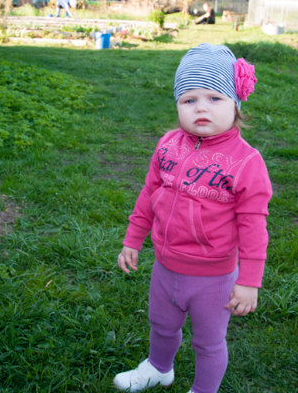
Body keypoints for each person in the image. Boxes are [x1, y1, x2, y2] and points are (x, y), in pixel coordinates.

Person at [113, 44, 271, 393]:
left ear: (236, 104)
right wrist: (132, 240)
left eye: (215, 98)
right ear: (178, 105)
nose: (201, 106)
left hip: (213, 278)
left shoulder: (247, 162)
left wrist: (249, 280)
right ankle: (158, 368)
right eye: (189, 99)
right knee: (162, 326)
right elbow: (148, 197)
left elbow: (253, 227)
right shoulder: (168, 145)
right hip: (165, 267)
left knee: (209, 342)